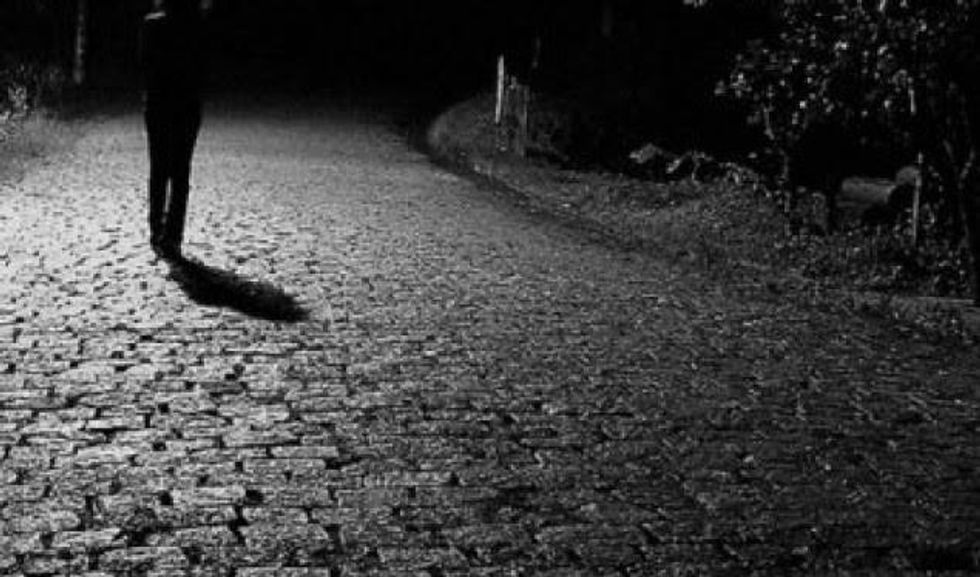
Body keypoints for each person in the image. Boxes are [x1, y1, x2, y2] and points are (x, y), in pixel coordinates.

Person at [140, 0, 206, 260]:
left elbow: (144, 64)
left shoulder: (151, 25)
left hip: (158, 103)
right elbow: (204, 67)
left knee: (158, 169)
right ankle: (173, 235)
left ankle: (157, 229)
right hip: (187, 104)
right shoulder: (198, 25)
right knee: (180, 171)